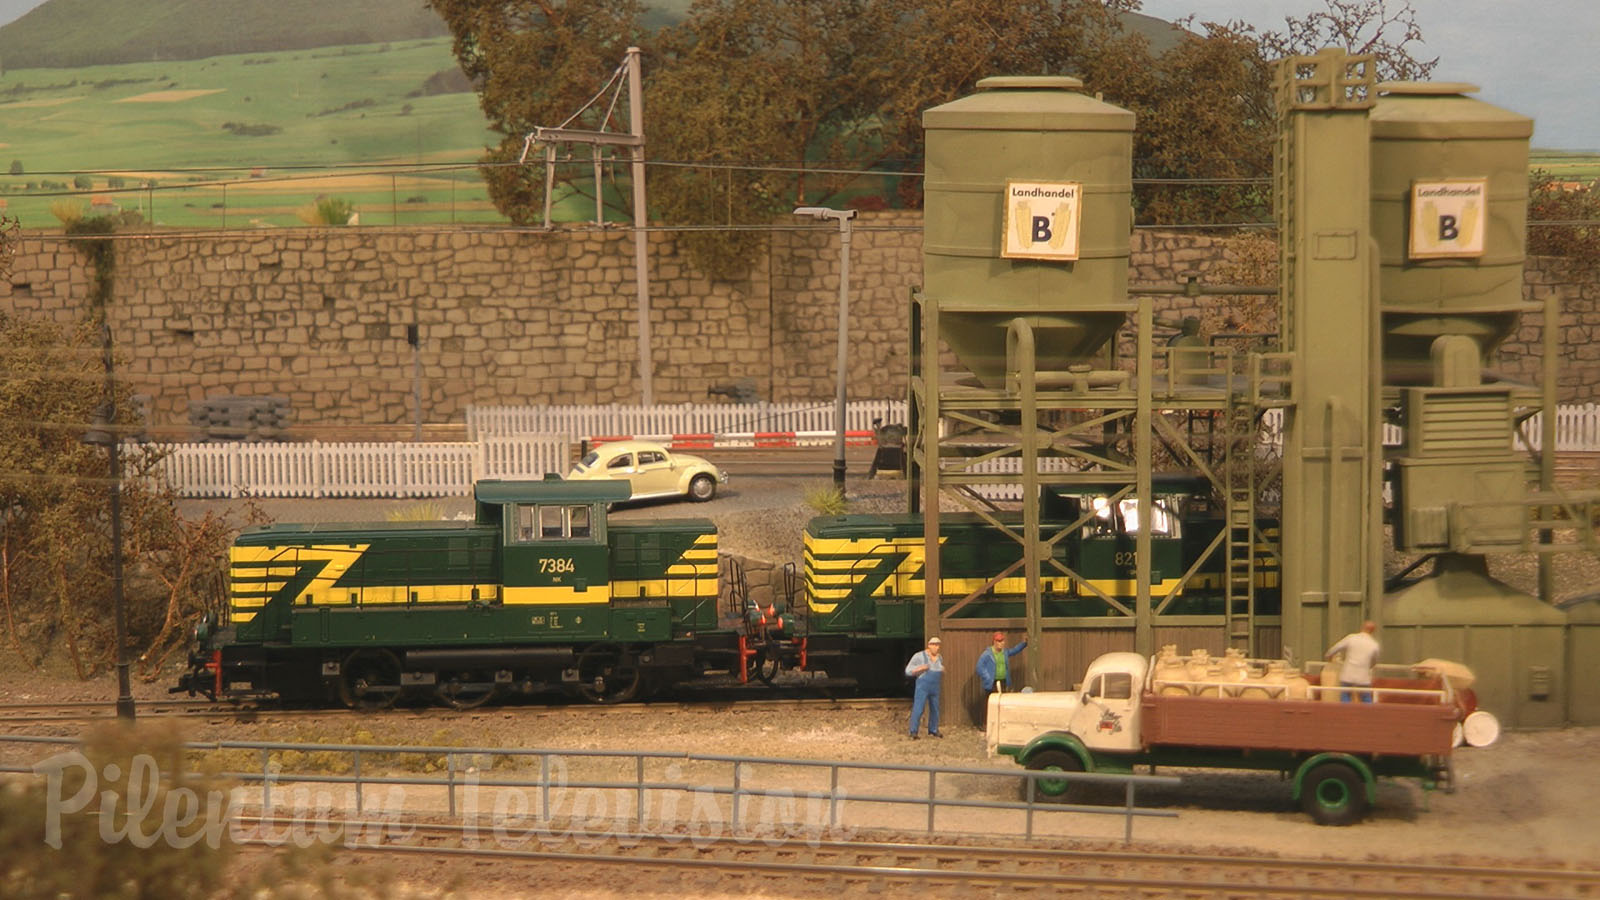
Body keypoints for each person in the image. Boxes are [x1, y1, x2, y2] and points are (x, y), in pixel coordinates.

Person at [1325, 620, 1380, 703]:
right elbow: (1374, 661)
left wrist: (1328, 655)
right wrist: (1368, 667)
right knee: (1366, 697)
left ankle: (1345, 713)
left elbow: (1336, 648)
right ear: (1373, 631)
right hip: (1363, 675)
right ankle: (1369, 713)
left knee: (1345, 695)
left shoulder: (1351, 638)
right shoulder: (1374, 645)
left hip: (1348, 673)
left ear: (1362, 627)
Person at [904, 636, 944, 738]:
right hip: (923, 686)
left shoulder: (939, 658)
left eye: (938, 645)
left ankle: (933, 729)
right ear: (929, 645)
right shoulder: (919, 656)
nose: (937, 647)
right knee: (919, 707)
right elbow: (908, 671)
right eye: (934, 645)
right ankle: (913, 731)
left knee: (935, 708)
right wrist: (919, 668)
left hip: (935, 687)